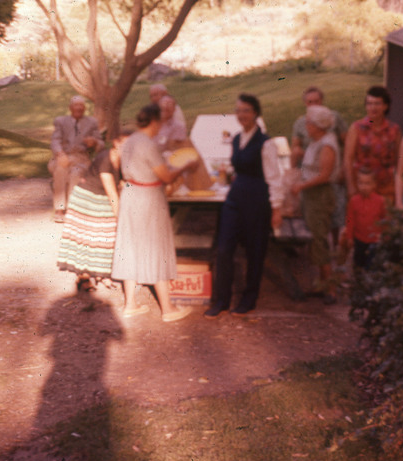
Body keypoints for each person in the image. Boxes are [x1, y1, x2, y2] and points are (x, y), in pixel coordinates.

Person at [110, 104, 197, 322]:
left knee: (130, 246)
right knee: (157, 247)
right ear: (155, 122)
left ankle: (130, 304)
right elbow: (166, 177)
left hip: (130, 194)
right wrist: (184, 167)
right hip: (148, 197)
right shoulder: (148, 144)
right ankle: (168, 309)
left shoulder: (129, 141)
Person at [204, 94, 284, 318]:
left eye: (246, 110)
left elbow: (274, 178)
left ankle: (249, 299)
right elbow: (237, 168)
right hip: (235, 199)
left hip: (257, 201)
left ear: (256, 113)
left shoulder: (266, 143)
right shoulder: (237, 138)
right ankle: (222, 300)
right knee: (224, 249)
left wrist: (276, 209)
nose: (242, 115)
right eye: (239, 110)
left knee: (255, 251)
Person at [56, 130, 131, 292]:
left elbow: (123, 183)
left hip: (101, 199)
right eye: (126, 143)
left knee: (104, 238)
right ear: (116, 142)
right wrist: (121, 219)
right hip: (87, 199)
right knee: (87, 238)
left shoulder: (123, 159)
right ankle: (83, 278)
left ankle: (101, 274)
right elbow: (112, 193)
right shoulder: (105, 158)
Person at [290, 105, 341, 305]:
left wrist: (301, 186)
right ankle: (321, 283)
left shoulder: (327, 144)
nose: (306, 125)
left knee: (319, 240)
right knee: (315, 238)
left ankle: (331, 288)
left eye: (309, 122)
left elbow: (325, 175)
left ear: (318, 125)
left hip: (319, 196)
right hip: (311, 196)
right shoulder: (316, 141)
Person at [290, 85, 348, 243]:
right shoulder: (301, 122)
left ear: (322, 100)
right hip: (309, 172)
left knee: (335, 213)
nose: (314, 105)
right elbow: (295, 145)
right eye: (310, 102)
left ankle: (334, 246)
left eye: (317, 101)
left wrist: (344, 167)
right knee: (314, 216)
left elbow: (346, 142)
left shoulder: (333, 118)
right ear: (305, 104)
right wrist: (301, 154)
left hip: (329, 171)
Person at [49, 96, 104, 223]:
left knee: (75, 174)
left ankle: (72, 209)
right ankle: (60, 209)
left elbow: (101, 144)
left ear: (84, 108)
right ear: (70, 108)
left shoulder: (91, 122)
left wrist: (94, 142)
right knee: (60, 170)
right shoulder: (61, 121)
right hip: (64, 156)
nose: (79, 108)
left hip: (81, 158)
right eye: (76, 105)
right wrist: (60, 153)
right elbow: (55, 140)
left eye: (81, 105)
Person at [343, 85, 402, 206]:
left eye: (377, 103)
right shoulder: (357, 128)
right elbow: (348, 160)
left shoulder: (394, 130)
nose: (373, 107)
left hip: (387, 188)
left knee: (386, 222)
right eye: (369, 103)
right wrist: (351, 188)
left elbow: (398, 161)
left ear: (385, 106)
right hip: (363, 187)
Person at [339, 167, 387, 304]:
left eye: (367, 183)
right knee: (358, 265)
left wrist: (383, 235)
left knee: (372, 266)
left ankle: (371, 293)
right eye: (361, 183)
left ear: (374, 185)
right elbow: (350, 220)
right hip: (359, 239)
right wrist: (349, 237)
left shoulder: (380, 201)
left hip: (374, 240)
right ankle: (358, 293)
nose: (364, 187)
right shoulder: (354, 201)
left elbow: (385, 219)